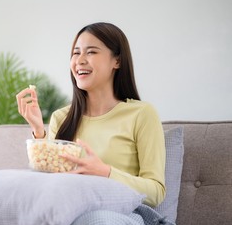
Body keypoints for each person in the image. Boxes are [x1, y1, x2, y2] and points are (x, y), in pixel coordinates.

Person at [16, 22, 166, 207]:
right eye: (76, 53)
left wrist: (105, 172)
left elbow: (156, 193)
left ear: (116, 61)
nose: (79, 60)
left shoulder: (141, 114)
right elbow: (49, 187)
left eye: (91, 52)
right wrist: (39, 131)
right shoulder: (61, 118)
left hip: (120, 215)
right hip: (67, 214)